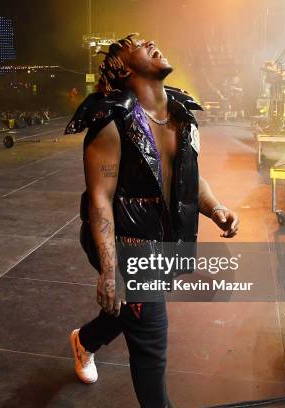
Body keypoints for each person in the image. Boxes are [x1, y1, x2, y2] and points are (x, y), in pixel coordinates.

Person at [65, 33, 239, 407]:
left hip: (163, 238)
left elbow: (189, 177)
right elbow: (99, 200)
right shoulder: (110, 120)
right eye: (140, 45)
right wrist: (109, 271)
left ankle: (86, 340)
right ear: (125, 68)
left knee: (132, 311)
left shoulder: (181, 115)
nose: (153, 43)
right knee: (151, 338)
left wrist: (215, 207)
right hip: (123, 240)